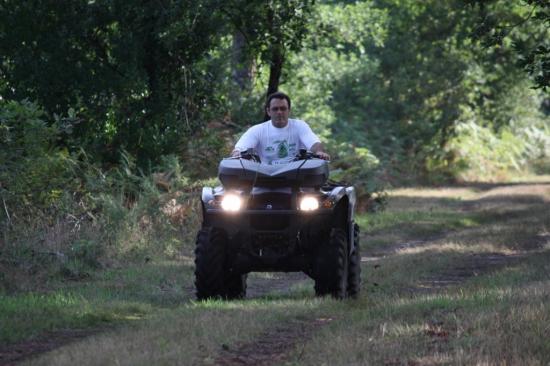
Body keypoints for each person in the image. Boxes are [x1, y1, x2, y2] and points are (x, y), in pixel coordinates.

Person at [232, 92, 330, 165]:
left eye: (283, 109)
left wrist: (319, 152)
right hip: (264, 177)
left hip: (296, 177)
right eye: (275, 109)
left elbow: (313, 143)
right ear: (268, 111)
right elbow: (240, 148)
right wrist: (237, 153)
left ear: (289, 111)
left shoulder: (300, 126)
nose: (279, 112)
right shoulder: (257, 130)